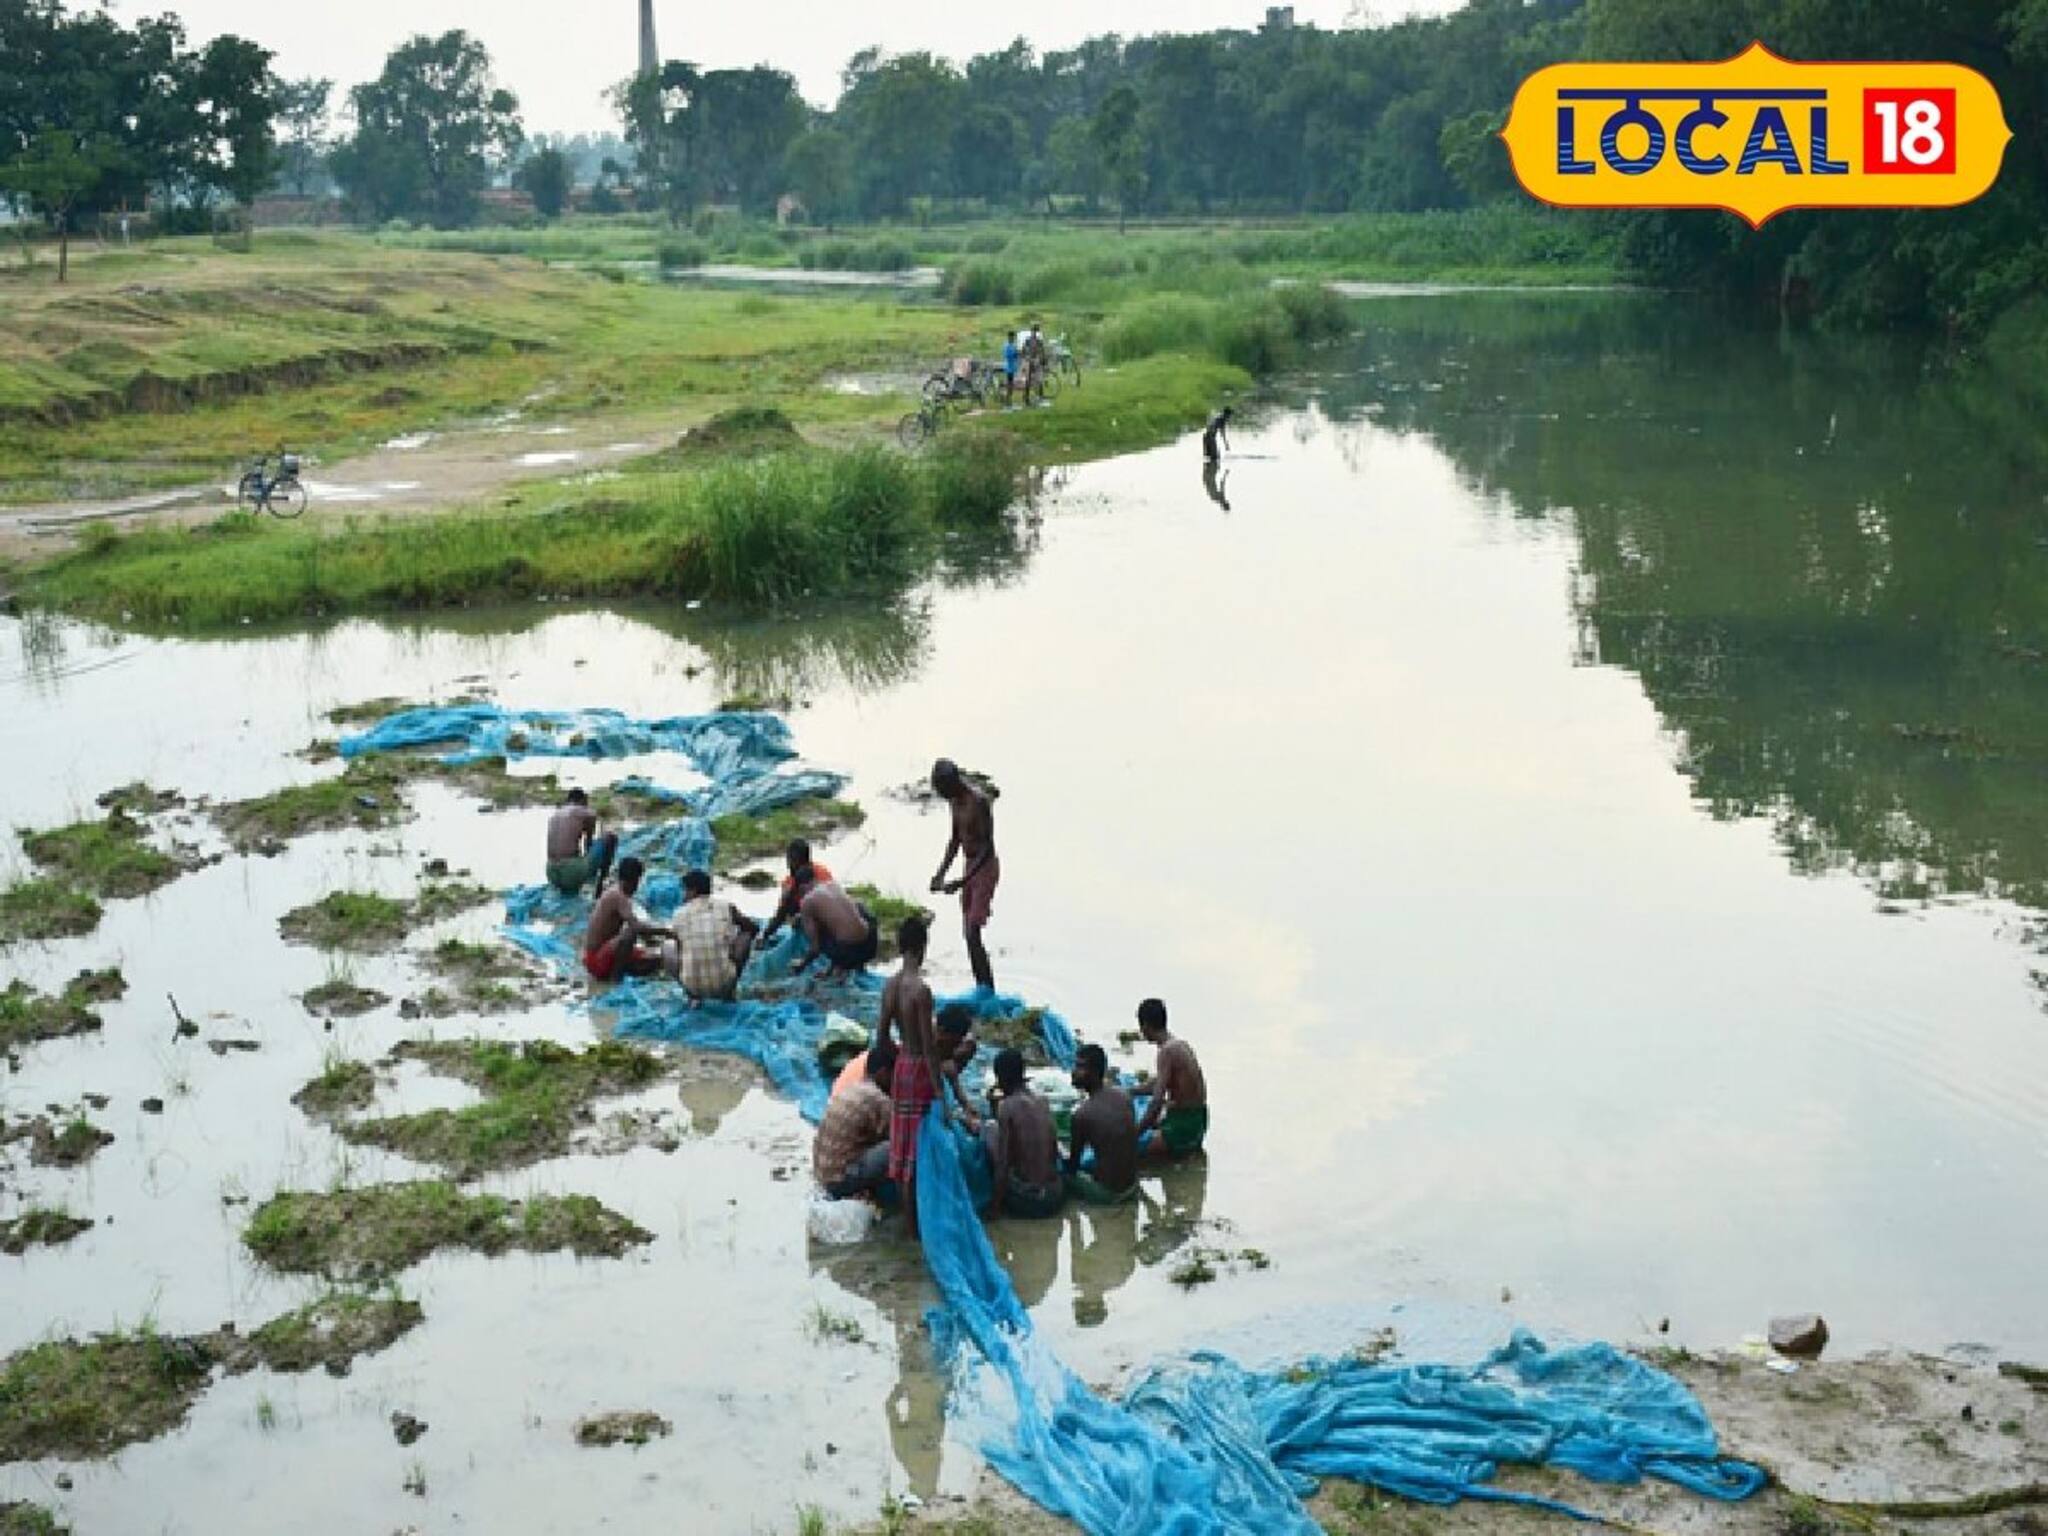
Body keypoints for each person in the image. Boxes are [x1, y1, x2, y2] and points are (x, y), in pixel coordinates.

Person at [879, 915, 940, 1241]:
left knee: (901, 1150)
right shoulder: (921, 991)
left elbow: (881, 1037)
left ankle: (909, 1225)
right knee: (922, 1148)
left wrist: (899, 1057)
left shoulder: (890, 986)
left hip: (902, 1065)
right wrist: (940, 1092)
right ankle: (922, 1223)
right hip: (918, 1069)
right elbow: (930, 1049)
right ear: (921, 947)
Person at [929, 758, 998, 991]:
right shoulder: (954, 802)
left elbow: (988, 847)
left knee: (972, 931)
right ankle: (982, 986)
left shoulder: (978, 802)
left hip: (984, 867)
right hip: (969, 866)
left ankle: (988, 989)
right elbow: (955, 839)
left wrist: (962, 881)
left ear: (953, 783)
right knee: (968, 933)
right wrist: (940, 874)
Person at [983, 1048, 1064, 1219]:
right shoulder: (1043, 1101)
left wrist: (994, 1207)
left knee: (990, 1129)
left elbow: (1003, 1163)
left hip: (1030, 1201)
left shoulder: (1007, 1107)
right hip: (1056, 1196)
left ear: (1000, 1078)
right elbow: (1054, 1151)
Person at [814, 1039, 898, 1199]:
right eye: (894, 1075)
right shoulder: (878, 1099)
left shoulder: (853, 1087)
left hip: (822, 1173)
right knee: (897, 1146)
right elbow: (897, 1136)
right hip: (838, 1181)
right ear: (883, 1073)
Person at [666, 869, 759, 1002]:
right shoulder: (726, 906)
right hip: (725, 983)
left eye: (685, 890)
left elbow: (680, 947)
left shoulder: (678, 914)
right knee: (745, 935)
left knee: (668, 946)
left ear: (693, 891)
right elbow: (752, 928)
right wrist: (731, 942)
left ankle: (692, 997)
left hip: (692, 985)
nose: (683, 895)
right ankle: (729, 993)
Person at [1135, 997, 1209, 1157]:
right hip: (1198, 1121)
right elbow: (1159, 1082)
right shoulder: (1179, 1044)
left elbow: (1156, 1102)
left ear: (1145, 1026)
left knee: (1126, 1152)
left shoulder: (1166, 1052)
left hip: (1183, 1127)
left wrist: (1134, 1135)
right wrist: (1132, 1091)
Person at [1066, 1043, 1139, 1204]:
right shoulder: (1123, 1096)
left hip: (1108, 1194)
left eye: (1080, 1067)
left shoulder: (1082, 1114)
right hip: (1133, 1186)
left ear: (1094, 1072)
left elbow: (1073, 1165)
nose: (1074, 1072)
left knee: (1064, 1176)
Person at [581, 857, 667, 981]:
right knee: (630, 933)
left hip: (602, 953)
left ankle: (621, 970)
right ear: (633, 881)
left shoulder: (615, 892)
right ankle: (615, 979)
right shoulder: (618, 896)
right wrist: (665, 931)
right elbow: (636, 927)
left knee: (654, 961)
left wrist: (654, 941)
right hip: (596, 960)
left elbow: (639, 928)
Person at [795, 871, 878, 978]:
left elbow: (816, 948)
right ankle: (844, 967)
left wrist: (801, 965)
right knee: (856, 911)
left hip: (850, 952)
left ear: (801, 888)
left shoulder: (807, 901)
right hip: (870, 946)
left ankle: (843, 965)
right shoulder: (833, 885)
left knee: (816, 928)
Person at [757, 839, 834, 949]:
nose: (788, 865)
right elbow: (783, 912)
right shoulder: (822, 873)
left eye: (790, 861)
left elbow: (782, 914)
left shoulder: (816, 878)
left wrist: (765, 935)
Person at [546, 788, 618, 896]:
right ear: (583, 801)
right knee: (610, 837)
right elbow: (588, 844)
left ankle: (571, 883)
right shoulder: (586, 812)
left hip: (551, 872)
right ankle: (599, 889)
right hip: (570, 873)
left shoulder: (555, 815)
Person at [1002, 331, 1020, 405]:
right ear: (1009, 337)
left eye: (1013, 337)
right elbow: (1007, 355)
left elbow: (1016, 354)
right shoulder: (1007, 346)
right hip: (1009, 368)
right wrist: (1015, 354)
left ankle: (1009, 400)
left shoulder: (1013, 345)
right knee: (1009, 384)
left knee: (1011, 384)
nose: (1012, 339)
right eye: (1011, 337)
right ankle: (1007, 400)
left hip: (1012, 367)